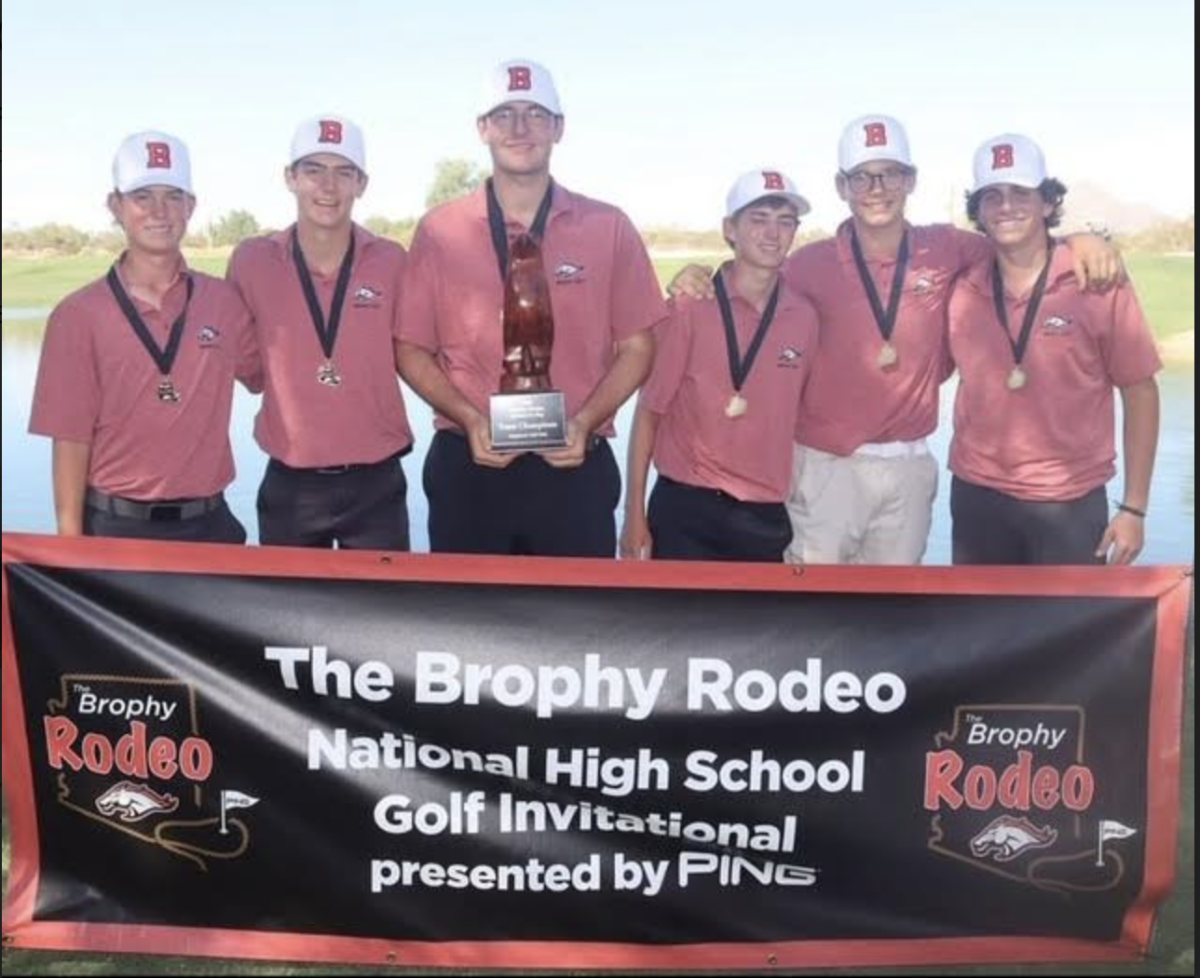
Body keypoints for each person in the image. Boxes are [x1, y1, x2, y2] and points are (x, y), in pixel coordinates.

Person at [669, 115, 1121, 565]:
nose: (877, 188)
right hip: (825, 468)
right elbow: (747, 281)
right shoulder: (807, 265)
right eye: (862, 177)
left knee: (889, 618)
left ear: (911, 180)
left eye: (890, 174)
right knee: (814, 615)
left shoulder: (948, 248)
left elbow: (1020, 242)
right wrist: (694, 276)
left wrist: (1079, 240)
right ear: (841, 187)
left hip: (908, 469)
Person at [396, 59, 667, 557]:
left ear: (559, 128)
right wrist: (469, 417)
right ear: (482, 128)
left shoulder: (608, 227)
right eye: (504, 115)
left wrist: (586, 421)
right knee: (467, 628)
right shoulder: (440, 230)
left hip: (574, 466)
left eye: (536, 114)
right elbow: (411, 349)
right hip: (470, 465)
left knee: (574, 628)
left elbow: (638, 346)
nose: (520, 129)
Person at [29, 131, 259, 544]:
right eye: (142, 197)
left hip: (210, 526)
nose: (159, 211)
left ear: (191, 205)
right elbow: (69, 437)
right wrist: (70, 542)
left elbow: (268, 376)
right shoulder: (77, 315)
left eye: (173, 196)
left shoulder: (223, 301)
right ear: (115, 206)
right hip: (115, 528)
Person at [948, 134, 1160, 565]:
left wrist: (1134, 508)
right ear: (979, 211)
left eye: (1021, 193)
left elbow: (1140, 391)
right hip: (976, 498)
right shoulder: (963, 285)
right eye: (993, 196)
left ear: (1047, 203)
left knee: (1072, 631)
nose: (1006, 206)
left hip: (1069, 503)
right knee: (979, 632)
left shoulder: (1096, 280)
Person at [228, 115, 413, 550]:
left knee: (381, 615)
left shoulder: (392, 260)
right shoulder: (251, 261)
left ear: (361, 183)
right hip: (291, 485)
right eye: (313, 170)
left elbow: (417, 354)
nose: (328, 187)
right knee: (288, 617)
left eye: (343, 172)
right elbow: (250, 371)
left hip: (378, 484)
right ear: (290, 178)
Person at [621, 170, 818, 562]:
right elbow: (648, 414)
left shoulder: (804, 317)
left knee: (758, 626)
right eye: (758, 219)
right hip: (685, 508)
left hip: (763, 514)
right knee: (676, 625)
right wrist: (633, 516)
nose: (772, 233)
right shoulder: (689, 306)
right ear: (730, 229)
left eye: (785, 222)